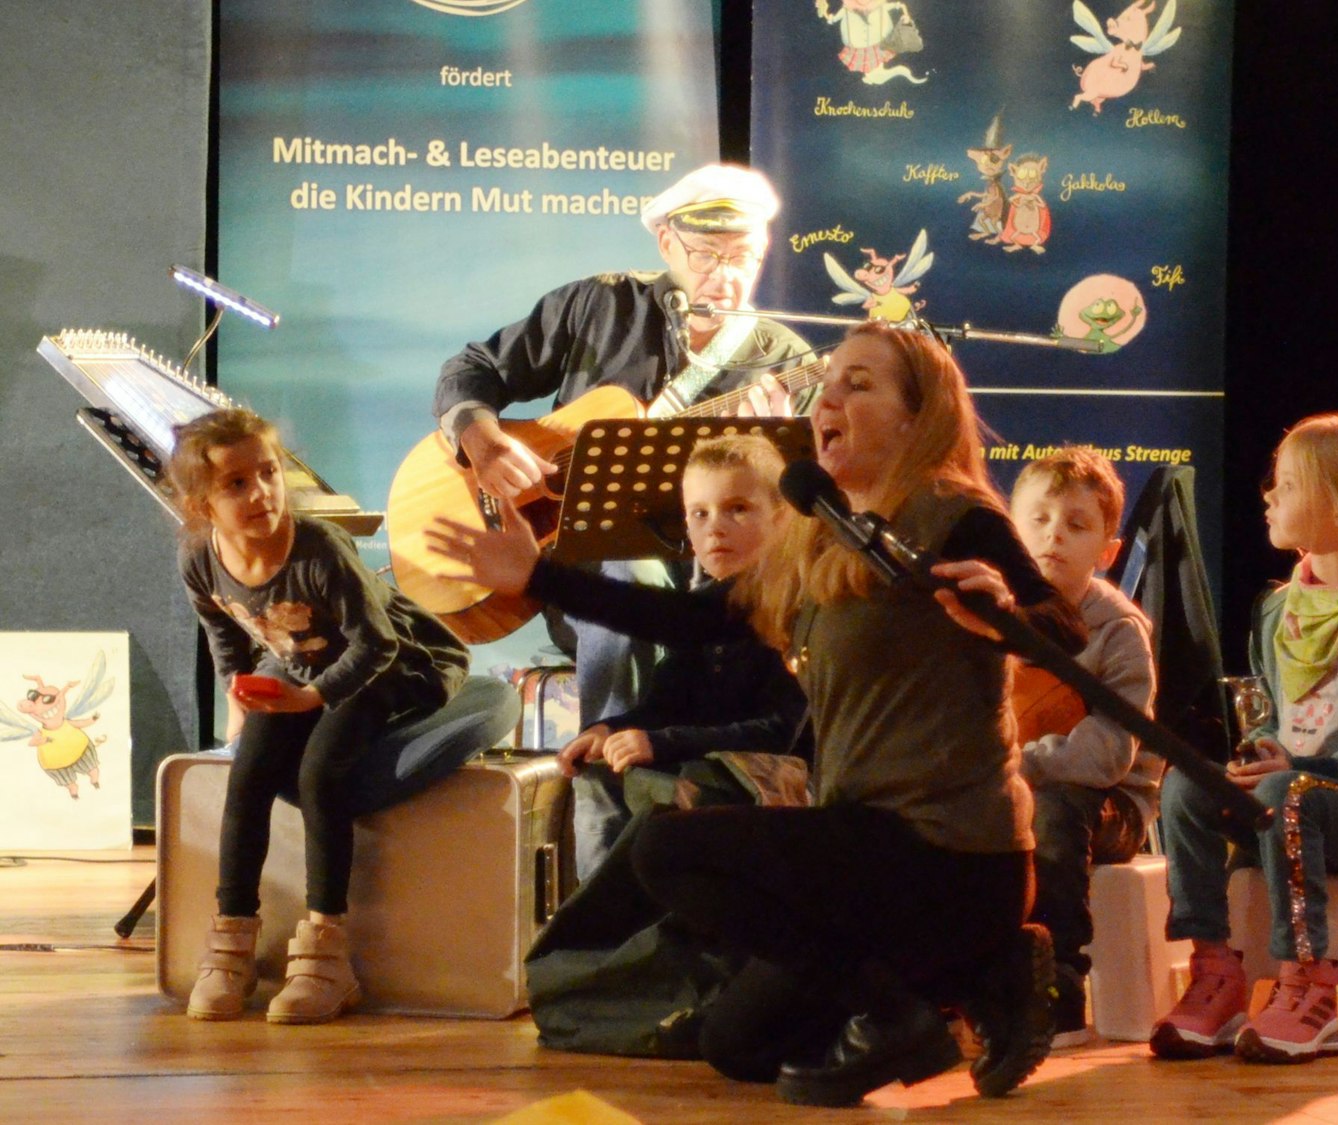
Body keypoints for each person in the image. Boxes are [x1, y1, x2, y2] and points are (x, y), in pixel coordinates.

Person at [426, 321, 1087, 1107]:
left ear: (920, 415)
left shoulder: (956, 517)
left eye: (860, 383)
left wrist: (1005, 609)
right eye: (828, 381)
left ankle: (907, 999)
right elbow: (698, 619)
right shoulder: (817, 531)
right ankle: (974, 977)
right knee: (738, 1044)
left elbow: (1063, 632)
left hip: (950, 854)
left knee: (667, 846)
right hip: (863, 849)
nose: (827, 396)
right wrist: (542, 577)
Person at [434, 161, 814, 726]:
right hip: (576, 578)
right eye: (707, 254)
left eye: (743, 258)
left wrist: (772, 452)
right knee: (629, 567)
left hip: (712, 597)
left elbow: (795, 527)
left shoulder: (784, 361)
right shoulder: (599, 305)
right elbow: (472, 369)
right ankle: (613, 786)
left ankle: (646, 774)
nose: (725, 276)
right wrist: (485, 445)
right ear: (666, 242)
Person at [1150, 409, 1338, 1064]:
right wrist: (1260, 748)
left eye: (1288, 485)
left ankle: (1310, 986)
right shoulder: (1276, 611)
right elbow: (1275, 720)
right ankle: (1216, 968)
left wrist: (1295, 767)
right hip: (1293, 799)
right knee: (1185, 785)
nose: (1269, 494)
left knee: (1290, 793)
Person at [170, 408, 469, 1024]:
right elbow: (226, 635)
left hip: (391, 664)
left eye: (269, 473)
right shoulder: (200, 559)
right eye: (236, 484)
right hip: (303, 663)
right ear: (202, 504)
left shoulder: (319, 548)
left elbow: (378, 644)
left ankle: (327, 951)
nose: (261, 493)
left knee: (319, 775)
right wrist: (241, 698)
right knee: (248, 774)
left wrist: (311, 700)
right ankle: (231, 943)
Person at [559, 434, 809, 880]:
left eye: (738, 509)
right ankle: (602, 936)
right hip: (706, 762)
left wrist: (661, 743)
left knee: (670, 786)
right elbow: (666, 706)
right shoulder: (697, 614)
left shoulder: (797, 608)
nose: (716, 527)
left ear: (783, 518)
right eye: (700, 514)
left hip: (777, 785)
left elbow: (782, 731)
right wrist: (610, 729)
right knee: (599, 778)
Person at [1006, 445, 1160, 1048]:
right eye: (1038, 520)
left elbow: (1105, 757)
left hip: (1109, 804)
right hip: (1007, 786)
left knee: (1056, 810)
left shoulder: (1117, 630)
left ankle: (1059, 982)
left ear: (1107, 551)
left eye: (1076, 525)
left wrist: (1010, 767)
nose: (1054, 537)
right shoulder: (989, 616)